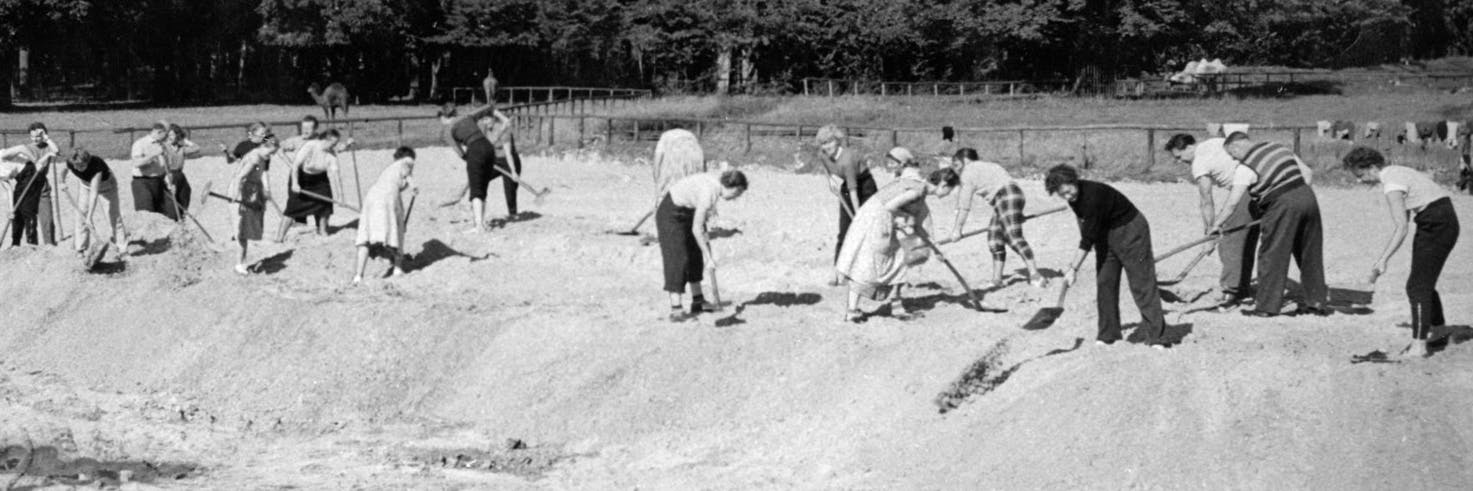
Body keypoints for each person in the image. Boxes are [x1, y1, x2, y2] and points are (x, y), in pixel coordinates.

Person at [1343, 147, 1459, 358]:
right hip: (1439, 220)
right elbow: (1403, 222)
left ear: (1372, 167)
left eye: (1360, 175)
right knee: (1423, 281)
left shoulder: (1392, 184)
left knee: (1416, 287)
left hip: (1437, 224)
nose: (1360, 181)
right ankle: (1439, 330)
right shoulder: (1396, 171)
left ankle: (1418, 346)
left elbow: (1401, 227)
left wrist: (1383, 260)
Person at [1046, 165, 1167, 348]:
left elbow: (1087, 238)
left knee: (1141, 283)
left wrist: (1073, 268)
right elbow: (1084, 222)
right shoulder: (1074, 198)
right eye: (1063, 195)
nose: (1068, 197)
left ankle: (1157, 337)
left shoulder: (1093, 196)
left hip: (1130, 230)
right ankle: (1108, 334)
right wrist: (1093, 243)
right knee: (1105, 282)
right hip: (1104, 234)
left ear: (1074, 181)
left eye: (1069, 191)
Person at [1224, 132, 1329, 317]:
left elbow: (1233, 202)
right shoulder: (1278, 147)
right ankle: (1316, 303)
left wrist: (1218, 224)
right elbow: (1308, 173)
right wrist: (1297, 198)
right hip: (1307, 197)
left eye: (1232, 155)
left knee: (1272, 255)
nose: (1234, 159)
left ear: (1236, 147)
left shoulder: (1245, 167)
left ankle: (1266, 307)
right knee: (1309, 253)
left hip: (1281, 205)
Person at [835, 167, 959, 323]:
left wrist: (935, 249)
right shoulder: (916, 191)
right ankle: (872, 309)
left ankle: (860, 310)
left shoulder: (917, 185)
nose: (948, 194)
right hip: (876, 222)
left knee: (885, 262)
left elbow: (921, 224)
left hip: (870, 220)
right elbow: (890, 206)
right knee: (880, 264)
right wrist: (907, 218)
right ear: (943, 185)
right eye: (950, 190)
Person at [1164, 133, 1260, 307]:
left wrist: (1210, 232)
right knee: (1246, 240)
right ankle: (1242, 288)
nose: (1180, 161)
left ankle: (1229, 293)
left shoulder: (1199, 162)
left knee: (1229, 241)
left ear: (1188, 147)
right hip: (1260, 187)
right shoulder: (1215, 142)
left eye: (1179, 156)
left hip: (1244, 191)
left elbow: (1206, 200)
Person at [656, 169, 749, 321]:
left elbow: (703, 225)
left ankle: (698, 301)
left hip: (688, 212)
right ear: (735, 188)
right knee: (677, 258)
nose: (734, 199)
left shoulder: (715, 188)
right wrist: (709, 258)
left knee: (695, 254)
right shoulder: (709, 192)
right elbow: (696, 229)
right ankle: (676, 310)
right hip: (670, 214)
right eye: (737, 195)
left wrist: (707, 253)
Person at [949, 147, 1045, 288]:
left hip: (1005, 197)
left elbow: (964, 206)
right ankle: (997, 280)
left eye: (957, 165)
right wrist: (1015, 212)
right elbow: (1009, 186)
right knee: (995, 239)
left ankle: (1035, 275)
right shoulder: (991, 165)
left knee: (1013, 237)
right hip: (1011, 197)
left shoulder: (967, 172)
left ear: (965, 160)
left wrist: (957, 229)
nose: (956, 170)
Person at [815, 125, 877, 285]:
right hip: (848, 187)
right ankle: (837, 272)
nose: (826, 147)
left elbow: (854, 191)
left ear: (837, 141)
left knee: (867, 230)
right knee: (844, 231)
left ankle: (868, 272)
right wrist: (830, 182)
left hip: (865, 186)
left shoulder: (848, 159)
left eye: (829, 142)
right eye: (823, 143)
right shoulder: (823, 154)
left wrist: (858, 216)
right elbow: (825, 167)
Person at [354, 146, 419, 283]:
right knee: (398, 230)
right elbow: (407, 172)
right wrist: (414, 186)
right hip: (388, 197)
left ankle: (358, 276)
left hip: (372, 197)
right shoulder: (406, 162)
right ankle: (397, 268)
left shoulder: (390, 170)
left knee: (365, 235)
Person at [281, 129, 349, 237]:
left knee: (325, 204)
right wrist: (295, 183)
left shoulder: (331, 155)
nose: (334, 146)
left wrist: (341, 197)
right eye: (333, 144)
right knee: (292, 207)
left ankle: (322, 231)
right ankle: (279, 236)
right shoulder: (311, 146)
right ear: (325, 140)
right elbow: (295, 165)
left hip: (320, 179)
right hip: (302, 177)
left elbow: (336, 176)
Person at [0, 122, 59, 246]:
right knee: (20, 213)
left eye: (38, 136)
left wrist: (46, 141)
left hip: (38, 181)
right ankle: (19, 244)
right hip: (25, 182)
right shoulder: (28, 148)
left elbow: (56, 151)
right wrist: (10, 208)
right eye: (32, 136)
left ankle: (46, 245)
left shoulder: (47, 145)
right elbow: (7, 187)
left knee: (43, 216)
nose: (35, 139)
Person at [61, 148, 127, 256]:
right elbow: (64, 170)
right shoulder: (71, 162)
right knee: (81, 215)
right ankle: (80, 249)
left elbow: (94, 194)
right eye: (76, 166)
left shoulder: (96, 167)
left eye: (82, 166)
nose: (78, 169)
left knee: (113, 216)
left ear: (88, 161)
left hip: (106, 185)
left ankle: (122, 249)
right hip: (85, 184)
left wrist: (90, 217)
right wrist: (61, 182)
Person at [228, 134, 279, 274]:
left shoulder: (262, 157)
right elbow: (240, 177)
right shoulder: (254, 157)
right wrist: (237, 195)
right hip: (241, 192)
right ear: (264, 146)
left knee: (248, 228)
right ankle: (239, 264)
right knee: (241, 230)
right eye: (271, 152)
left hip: (252, 191)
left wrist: (265, 190)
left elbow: (261, 173)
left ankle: (242, 262)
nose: (272, 155)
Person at [133, 124, 200, 221]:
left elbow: (197, 148)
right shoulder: (164, 147)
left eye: (173, 135)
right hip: (169, 175)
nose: (170, 137)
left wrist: (185, 141)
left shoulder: (181, 148)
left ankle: (182, 216)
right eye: (168, 135)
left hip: (180, 175)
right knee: (171, 198)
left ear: (177, 136)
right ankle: (172, 218)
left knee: (185, 194)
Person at [129, 122, 173, 217]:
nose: (167, 138)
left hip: (160, 182)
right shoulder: (140, 144)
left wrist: (170, 180)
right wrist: (154, 154)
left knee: (167, 213)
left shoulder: (163, 144)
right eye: (166, 135)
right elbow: (137, 163)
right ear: (159, 132)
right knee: (146, 215)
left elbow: (167, 165)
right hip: (143, 183)